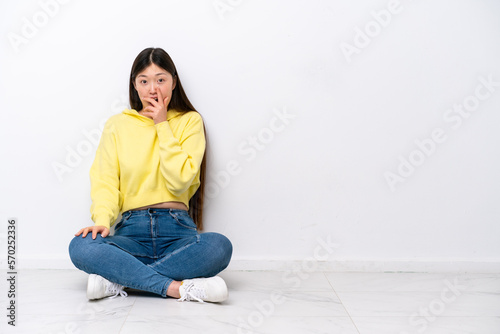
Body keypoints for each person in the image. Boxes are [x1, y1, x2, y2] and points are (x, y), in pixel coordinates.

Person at [69, 47, 232, 303]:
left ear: (174, 82)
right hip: (130, 233)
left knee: (219, 246)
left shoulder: (189, 121)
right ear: (135, 85)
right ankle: (179, 289)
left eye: (160, 80)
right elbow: (105, 180)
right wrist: (101, 219)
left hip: (177, 232)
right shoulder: (117, 125)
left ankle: (120, 280)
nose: (152, 89)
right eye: (144, 81)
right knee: (80, 246)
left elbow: (179, 180)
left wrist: (162, 125)